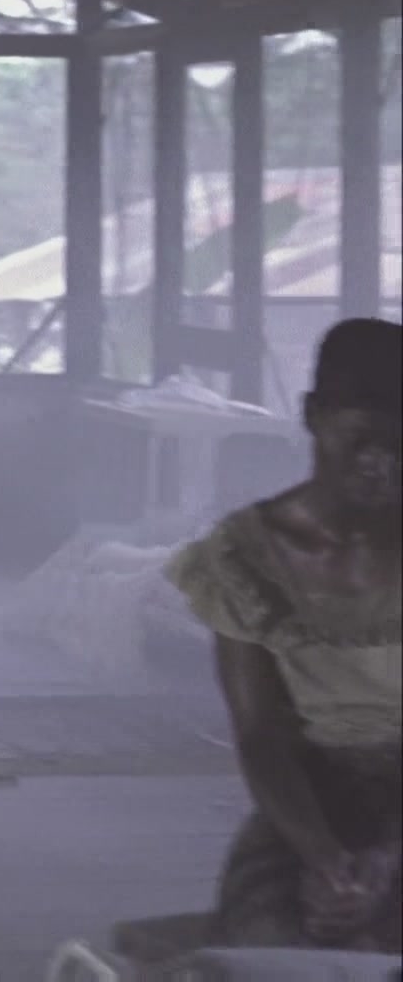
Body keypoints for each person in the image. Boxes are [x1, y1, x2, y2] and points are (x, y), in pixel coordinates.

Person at [167, 317, 402, 953]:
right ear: (313, 416)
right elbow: (261, 736)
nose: (382, 464)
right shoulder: (243, 559)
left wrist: (390, 857)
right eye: (361, 439)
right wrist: (326, 860)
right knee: (275, 936)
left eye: (402, 445)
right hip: (313, 797)